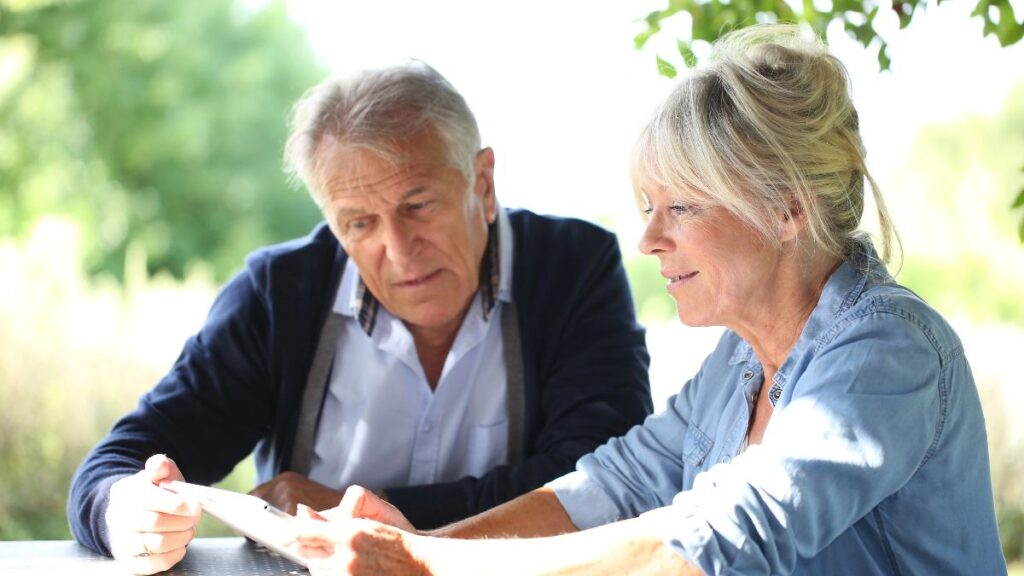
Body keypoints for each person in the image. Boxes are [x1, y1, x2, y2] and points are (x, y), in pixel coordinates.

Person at [285, 25, 1008, 575]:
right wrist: (422, 547)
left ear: (787, 210)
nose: (649, 240)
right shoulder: (740, 361)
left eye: (683, 207)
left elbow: (720, 540)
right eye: (648, 207)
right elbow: (613, 486)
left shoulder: (888, 350)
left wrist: (432, 565)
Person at [67, 61, 654, 575]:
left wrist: (363, 513)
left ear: (482, 181)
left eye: (417, 205)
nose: (398, 251)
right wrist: (126, 511)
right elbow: (119, 463)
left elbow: (602, 482)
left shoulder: (573, 268)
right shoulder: (279, 295)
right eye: (359, 223)